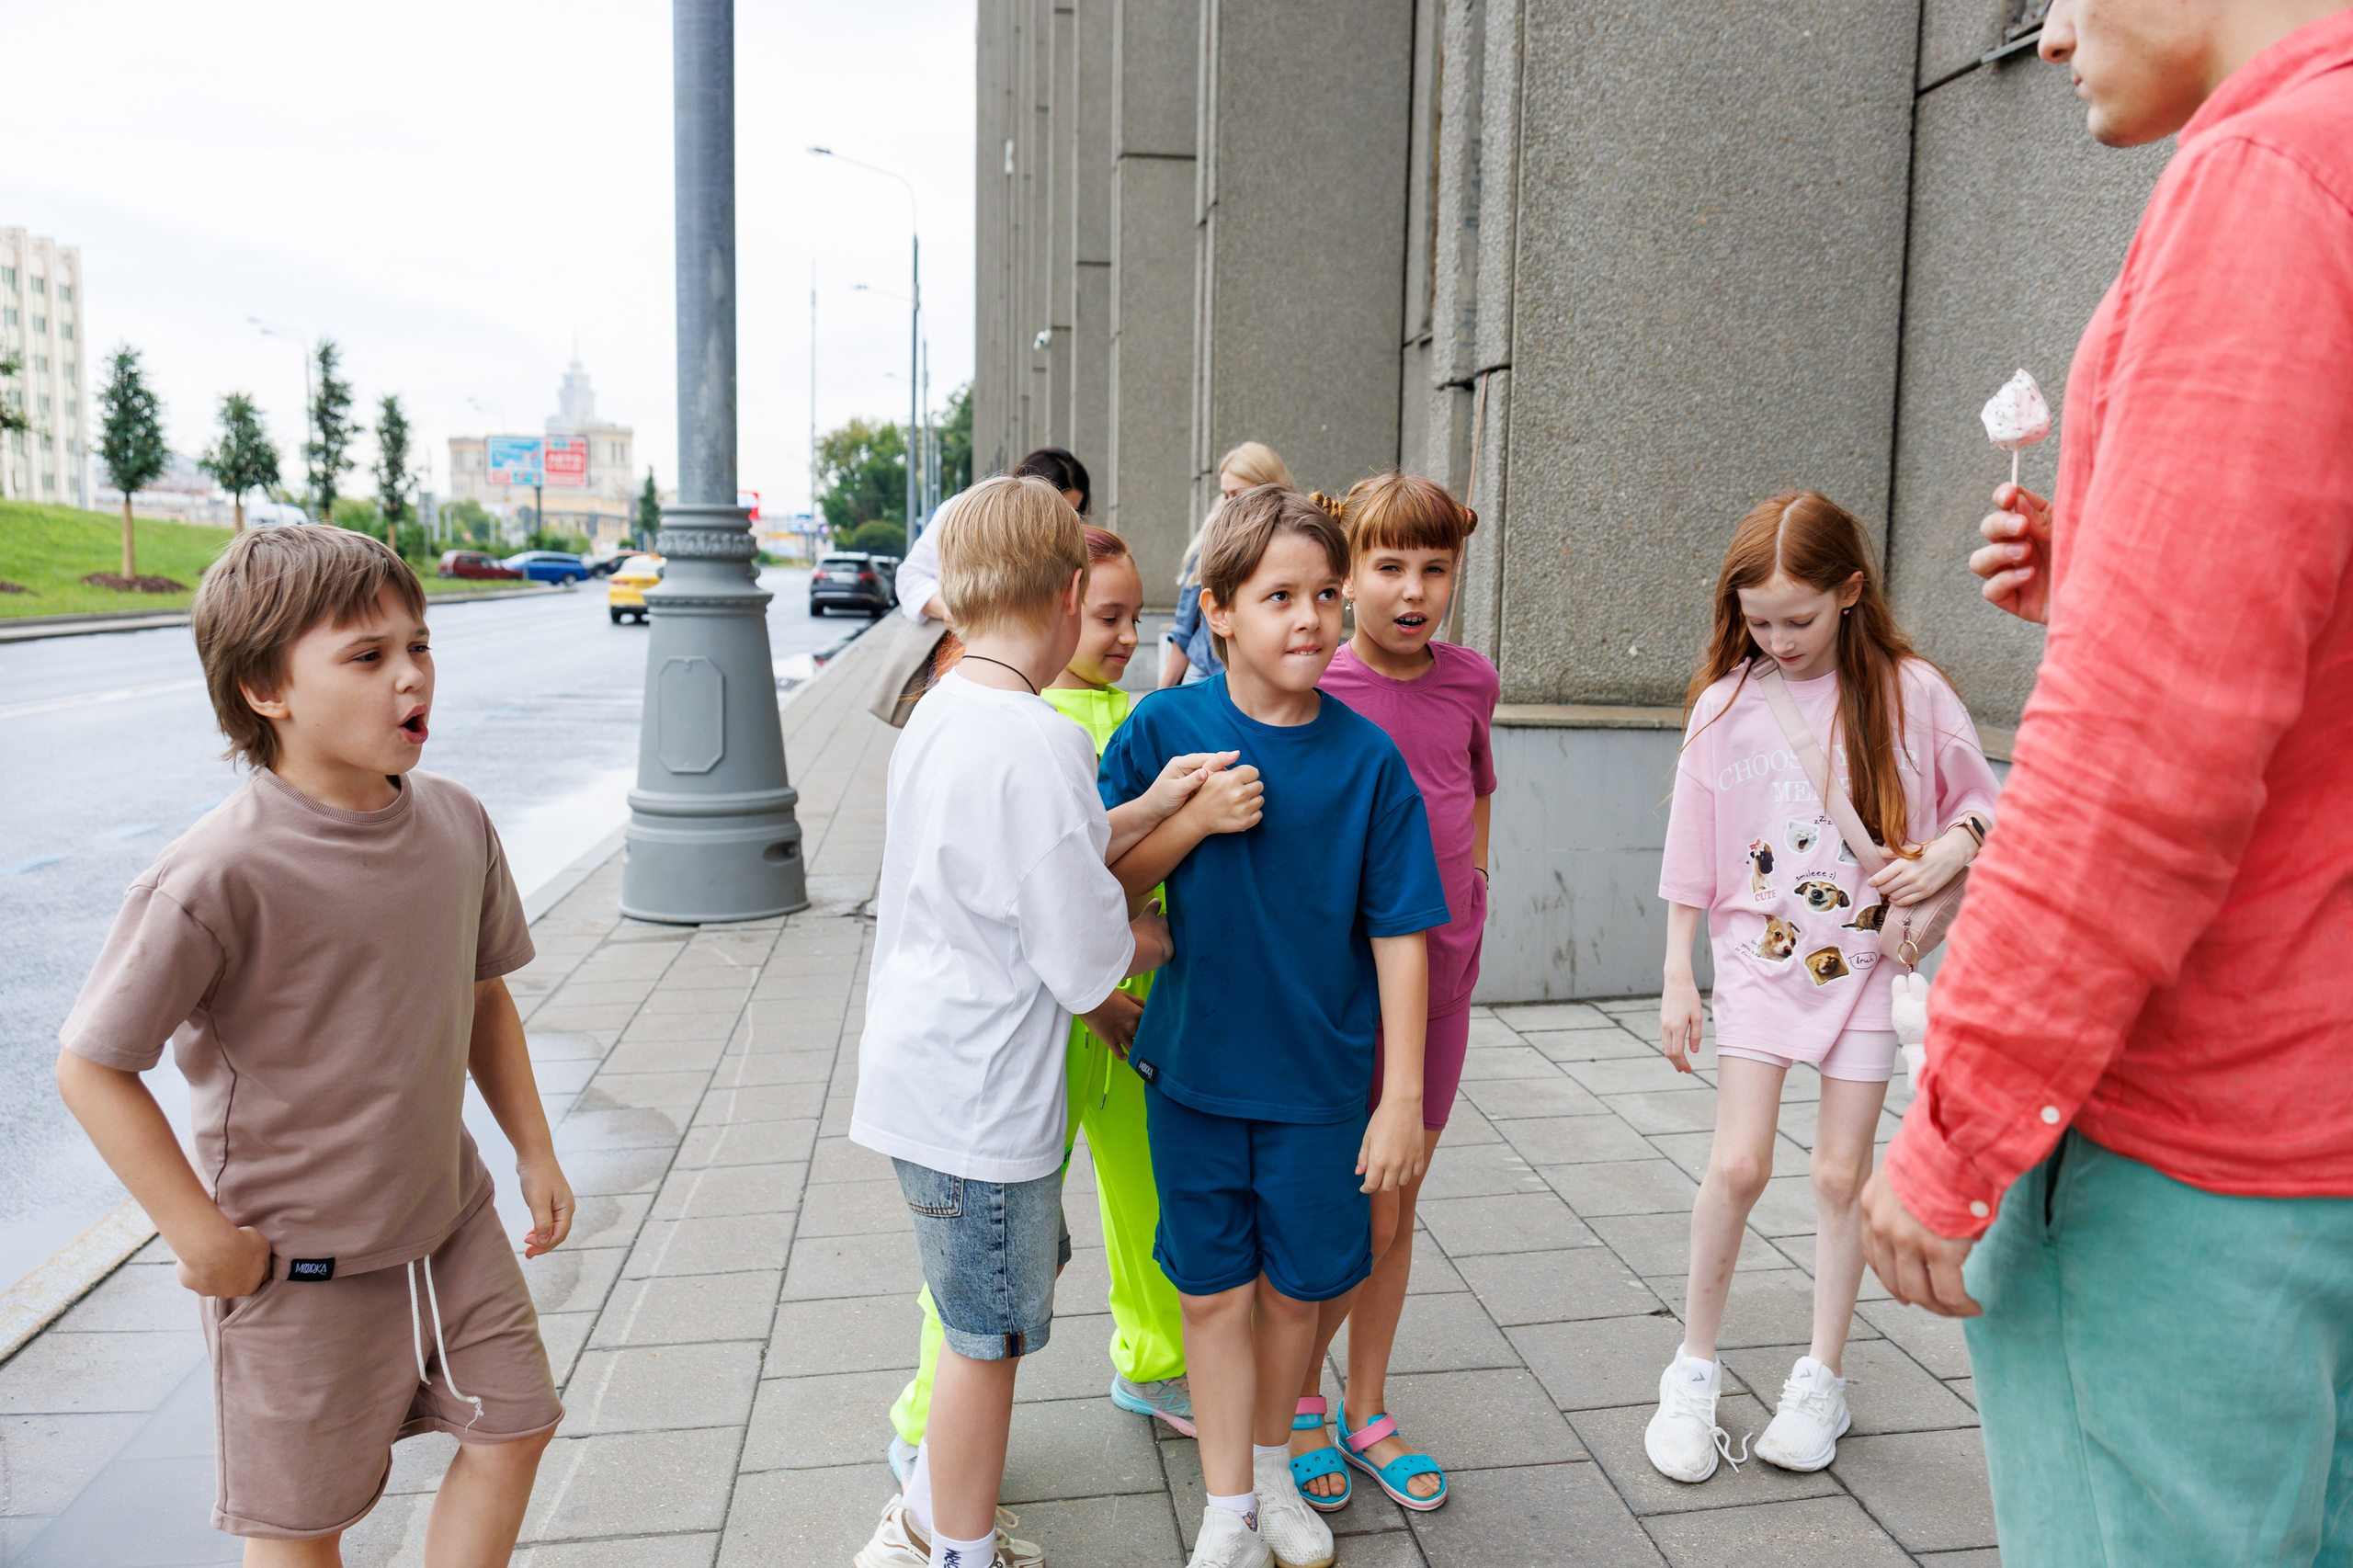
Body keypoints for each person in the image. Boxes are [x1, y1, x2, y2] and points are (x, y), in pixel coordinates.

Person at [1863, 5, 2353, 1562]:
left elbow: (2147, 745)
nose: (2054, 34)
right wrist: (2115, 568)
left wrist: (1962, 1118)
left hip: (2199, 1140)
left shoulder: (2273, 175)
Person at [53, 524, 573, 1564]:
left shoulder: (458, 822)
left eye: (418, 646)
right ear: (264, 690)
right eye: (368, 656)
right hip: (300, 1265)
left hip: (448, 1219)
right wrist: (198, 1234)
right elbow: (91, 1063)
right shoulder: (212, 875)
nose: (411, 675)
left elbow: (480, 993)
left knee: (517, 1423)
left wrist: (533, 1148)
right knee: (301, 1524)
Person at [848, 476, 1202, 1568]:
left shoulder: (949, 708)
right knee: (987, 1339)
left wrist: (1144, 804)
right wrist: (1154, 933)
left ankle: (931, 1518)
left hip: (923, 1081)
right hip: (982, 1098)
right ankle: (945, 1539)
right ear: (1062, 596)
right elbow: (1079, 943)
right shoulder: (1038, 735)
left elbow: (1049, 842)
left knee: (990, 1302)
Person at [1102, 485, 1450, 1568]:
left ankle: (1266, 1466)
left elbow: (1403, 934)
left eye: (1326, 596)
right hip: (1196, 1073)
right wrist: (1189, 819)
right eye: (1279, 596)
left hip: (1320, 1086)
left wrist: (1398, 1097)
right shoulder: (1165, 729)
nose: (1310, 618)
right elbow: (1102, 887)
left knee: (1297, 1293)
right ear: (1216, 609)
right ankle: (1226, 1510)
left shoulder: (1367, 760)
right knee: (1209, 1294)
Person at [1648, 494, 1997, 1484]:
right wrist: (1680, 972)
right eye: (1758, 619)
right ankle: (1692, 1365)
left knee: (1842, 1173)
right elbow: (1691, 851)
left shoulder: (1912, 690)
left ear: (1850, 592)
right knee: (1740, 1164)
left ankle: (1820, 1375)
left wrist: (1944, 857)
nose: (1777, 639)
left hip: (1867, 968)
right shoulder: (1725, 701)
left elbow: (1986, 808)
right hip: (1755, 962)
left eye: (1797, 618)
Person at [1281, 475, 1493, 1513]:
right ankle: (1295, 1406)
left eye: (1435, 568)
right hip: (1341, 992)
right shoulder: (1318, 683)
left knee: (1398, 1204)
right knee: (1334, 1207)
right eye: (1388, 566)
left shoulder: (1471, 680)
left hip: (1441, 980)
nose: (1413, 591)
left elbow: (1475, 793)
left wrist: (1479, 890)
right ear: (1347, 571)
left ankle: (1364, 1405)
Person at [1162, 443, 1296, 688]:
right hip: (1205, 672)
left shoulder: (1300, 539)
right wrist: (1161, 695)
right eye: (1225, 495)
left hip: (1270, 679)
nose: (1229, 504)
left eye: (1237, 493)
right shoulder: (1211, 540)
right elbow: (1184, 626)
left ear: (1269, 488)